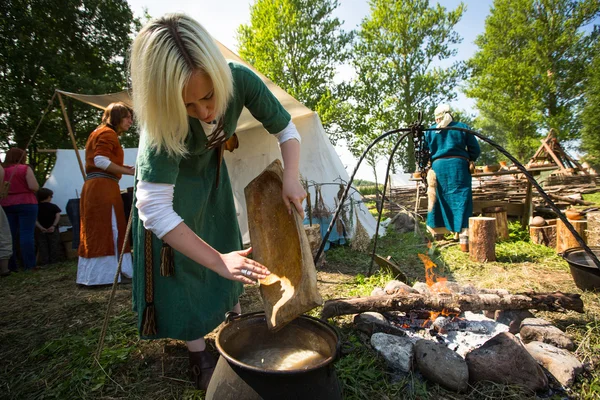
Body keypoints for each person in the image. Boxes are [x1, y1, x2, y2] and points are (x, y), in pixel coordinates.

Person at [129, 13, 306, 390]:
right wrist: (214, 260)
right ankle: (199, 353)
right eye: (188, 106)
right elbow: (154, 208)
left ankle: (234, 328)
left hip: (212, 187)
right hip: (172, 201)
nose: (205, 112)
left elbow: (286, 129)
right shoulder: (160, 123)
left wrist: (291, 177)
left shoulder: (239, 79)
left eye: (209, 97)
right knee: (188, 272)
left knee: (231, 256)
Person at [76, 102, 135, 286]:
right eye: (127, 117)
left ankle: (99, 275)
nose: (130, 121)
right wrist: (131, 172)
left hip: (97, 186)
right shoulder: (107, 133)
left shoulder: (98, 132)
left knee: (99, 228)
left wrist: (126, 168)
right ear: (117, 117)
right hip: (102, 188)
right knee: (110, 227)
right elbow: (100, 160)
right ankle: (108, 275)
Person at [424, 104, 480, 240]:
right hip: (459, 168)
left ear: (437, 117)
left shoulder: (429, 131)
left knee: (439, 197)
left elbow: (424, 153)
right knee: (461, 197)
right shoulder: (462, 127)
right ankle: (463, 235)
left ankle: (438, 233)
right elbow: (475, 149)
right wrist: (471, 159)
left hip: (439, 168)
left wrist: (425, 165)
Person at [1, 148, 39, 271]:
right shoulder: (24, 169)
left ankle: (10, 266)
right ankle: (29, 265)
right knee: (26, 234)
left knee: (9, 235)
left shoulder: (3, 170)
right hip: (26, 202)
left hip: (6, 203)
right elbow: (33, 186)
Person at [35, 188, 63, 266]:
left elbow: (35, 219)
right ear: (48, 197)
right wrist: (53, 226)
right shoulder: (53, 207)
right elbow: (58, 216)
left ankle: (45, 262)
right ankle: (54, 261)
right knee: (54, 245)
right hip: (53, 230)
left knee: (43, 246)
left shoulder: (36, 207)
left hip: (41, 230)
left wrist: (40, 227)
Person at [0, 165, 13, 276]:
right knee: (3, 234)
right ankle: (4, 270)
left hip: (8, 204)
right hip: (24, 203)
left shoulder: (7, 169)